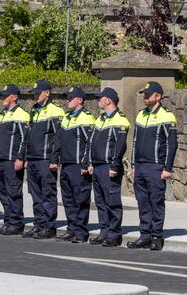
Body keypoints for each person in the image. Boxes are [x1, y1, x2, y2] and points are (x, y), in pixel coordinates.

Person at [128, 81, 178, 251]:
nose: (145, 97)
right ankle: (145, 235)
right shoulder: (141, 115)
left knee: (156, 202)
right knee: (142, 202)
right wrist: (133, 163)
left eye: (148, 95)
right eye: (144, 95)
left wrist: (167, 168)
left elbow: (172, 145)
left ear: (158, 96)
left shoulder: (167, 116)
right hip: (140, 166)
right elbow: (134, 142)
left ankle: (156, 236)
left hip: (156, 167)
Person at [89, 87, 129, 247]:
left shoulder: (120, 120)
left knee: (112, 201)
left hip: (109, 167)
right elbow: (93, 143)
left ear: (108, 100)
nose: (98, 100)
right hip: (98, 166)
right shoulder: (100, 119)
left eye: (100, 98)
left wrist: (114, 165)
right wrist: (91, 163)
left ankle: (114, 233)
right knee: (100, 202)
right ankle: (104, 231)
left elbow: (120, 147)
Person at [23, 80, 64, 239]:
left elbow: (58, 138)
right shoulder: (34, 110)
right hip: (33, 159)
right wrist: (26, 156)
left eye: (38, 93)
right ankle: (38, 224)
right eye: (34, 93)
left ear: (47, 93)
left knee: (47, 194)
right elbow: (29, 136)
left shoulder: (55, 110)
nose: (35, 95)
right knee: (35, 195)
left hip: (46, 159)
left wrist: (54, 159)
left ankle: (48, 226)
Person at [55, 86, 95, 243]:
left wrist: (85, 164)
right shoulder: (67, 117)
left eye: (70, 98)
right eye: (67, 98)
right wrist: (56, 159)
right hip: (66, 164)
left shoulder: (87, 117)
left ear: (80, 100)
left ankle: (81, 231)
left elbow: (89, 144)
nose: (67, 101)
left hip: (78, 165)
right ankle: (71, 228)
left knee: (80, 199)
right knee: (68, 199)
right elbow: (59, 141)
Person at [0, 84, 29, 235]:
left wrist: (20, 158)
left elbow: (24, 139)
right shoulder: (2, 113)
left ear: (14, 97)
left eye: (6, 95)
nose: (2, 98)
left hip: (12, 160)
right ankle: (8, 221)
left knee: (14, 192)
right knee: (2, 192)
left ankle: (16, 223)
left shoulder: (21, 114)